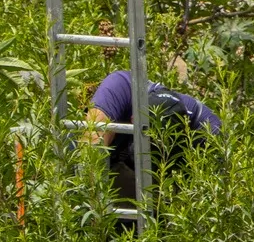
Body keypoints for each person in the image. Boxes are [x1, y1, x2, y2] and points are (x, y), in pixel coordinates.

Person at [84, 68, 223, 204]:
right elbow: (90, 149)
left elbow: (215, 194)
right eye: (149, 143)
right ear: (134, 118)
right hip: (113, 163)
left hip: (163, 185)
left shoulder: (208, 128)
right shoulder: (120, 88)